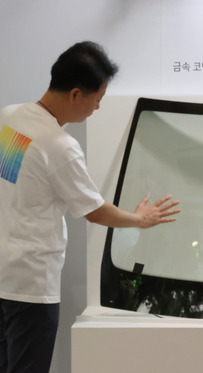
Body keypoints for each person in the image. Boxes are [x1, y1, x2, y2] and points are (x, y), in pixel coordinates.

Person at [0, 41, 181, 372]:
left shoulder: (9, 117)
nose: (96, 108)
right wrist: (141, 219)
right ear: (74, 95)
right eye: (96, 100)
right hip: (31, 284)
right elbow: (94, 210)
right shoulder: (60, 147)